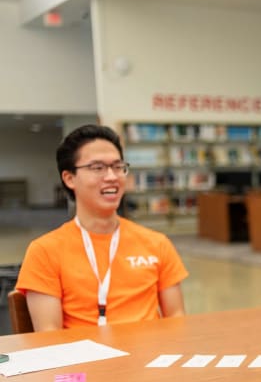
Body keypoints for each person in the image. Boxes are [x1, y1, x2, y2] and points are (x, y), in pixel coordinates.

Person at [16, 124, 188, 331]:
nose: (112, 176)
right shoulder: (45, 251)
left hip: (150, 359)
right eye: (97, 168)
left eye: (118, 167)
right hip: (84, 360)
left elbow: (177, 320)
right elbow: (49, 337)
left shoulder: (156, 243)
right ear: (69, 178)